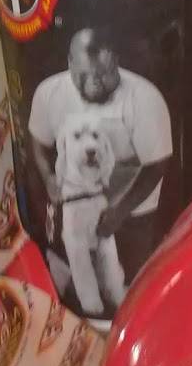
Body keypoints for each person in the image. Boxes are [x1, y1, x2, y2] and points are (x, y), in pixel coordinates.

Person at [28, 27, 173, 294]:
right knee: (67, 279)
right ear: (69, 63)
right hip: (74, 201)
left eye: (103, 74)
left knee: (134, 287)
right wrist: (48, 177)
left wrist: (119, 211)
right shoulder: (49, 92)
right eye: (83, 75)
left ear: (116, 62)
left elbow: (157, 165)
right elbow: (38, 141)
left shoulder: (144, 98)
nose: (93, 83)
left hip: (132, 205)